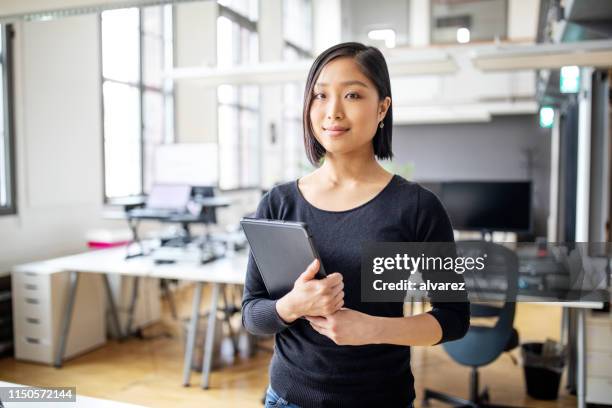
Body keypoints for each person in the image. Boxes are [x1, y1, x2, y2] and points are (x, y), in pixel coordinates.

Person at [242, 42, 470, 408]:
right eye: (319, 95)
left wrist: (374, 328)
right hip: (287, 399)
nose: (332, 111)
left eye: (352, 94)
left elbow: (454, 317)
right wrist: (291, 306)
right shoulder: (279, 203)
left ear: (382, 107)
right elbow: (253, 314)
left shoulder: (416, 208)